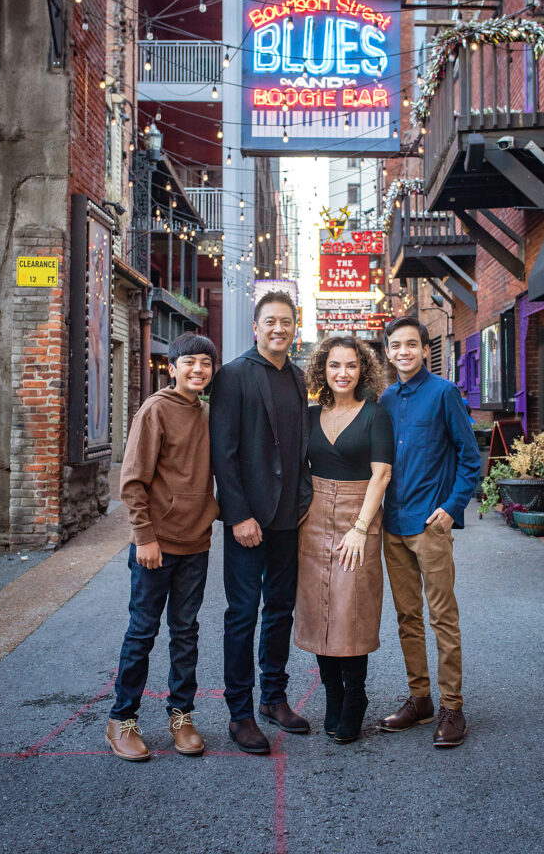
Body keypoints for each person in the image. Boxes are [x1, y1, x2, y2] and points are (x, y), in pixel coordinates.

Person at [106, 332, 219, 762]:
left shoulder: (209, 414)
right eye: (188, 362)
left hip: (197, 543)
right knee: (142, 632)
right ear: (172, 368)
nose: (197, 370)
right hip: (156, 545)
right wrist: (144, 537)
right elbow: (132, 482)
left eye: (205, 364)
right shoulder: (155, 410)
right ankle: (122, 717)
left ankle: (181, 714)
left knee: (186, 632)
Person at [210, 291, 313, 755]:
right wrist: (238, 515)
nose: (278, 329)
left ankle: (274, 698)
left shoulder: (296, 376)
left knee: (280, 610)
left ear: (295, 328)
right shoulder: (233, 376)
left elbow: (298, 448)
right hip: (249, 521)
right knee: (242, 614)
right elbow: (223, 454)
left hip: (289, 517)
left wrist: (304, 498)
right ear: (257, 327)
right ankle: (240, 713)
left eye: (286, 322)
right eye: (270, 321)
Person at [379, 316, 481, 748]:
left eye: (411, 345)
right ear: (388, 352)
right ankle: (419, 699)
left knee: (443, 617)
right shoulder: (384, 400)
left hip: (430, 525)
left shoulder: (444, 393)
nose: (403, 351)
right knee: (407, 617)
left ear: (424, 349)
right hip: (393, 526)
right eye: (396, 345)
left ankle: (452, 707)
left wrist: (451, 508)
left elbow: (470, 457)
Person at [295, 336, 394, 743]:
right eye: (334, 365)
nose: (342, 373)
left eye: (351, 366)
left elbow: (381, 474)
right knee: (319, 608)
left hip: (359, 516)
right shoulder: (310, 414)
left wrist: (360, 527)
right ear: (323, 370)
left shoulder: (375, 415)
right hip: (314, 517)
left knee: (351, 608)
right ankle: (332, 693)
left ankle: (356, 695)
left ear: (362, 371)